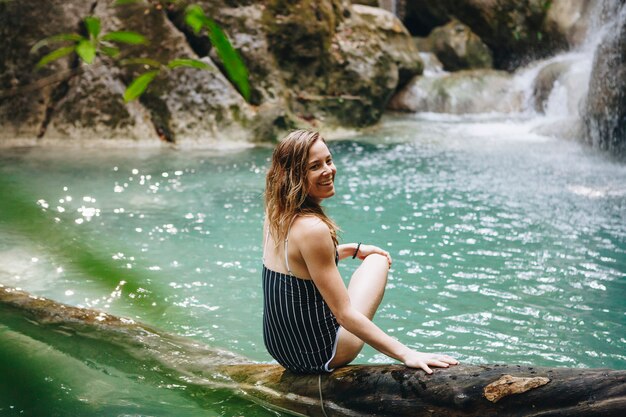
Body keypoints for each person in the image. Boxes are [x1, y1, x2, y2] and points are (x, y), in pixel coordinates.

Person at [262, 129, 458, 374]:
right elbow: (344, 315)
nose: (328, 171)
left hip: (280, 347)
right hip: (318, 354)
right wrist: (407, 353)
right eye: (314, 166)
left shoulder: (276, 213)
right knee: (377, 261)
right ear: (294, 175)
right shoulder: (313, 229)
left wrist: (351, 250)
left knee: (367, 258)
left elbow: (298, 264)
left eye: (329, 161)